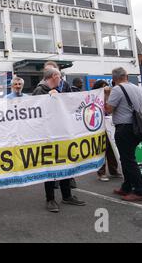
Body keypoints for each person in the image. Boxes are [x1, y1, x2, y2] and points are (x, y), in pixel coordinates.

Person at [32, 68, 86, 213]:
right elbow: (36, 113)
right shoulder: (40, 90)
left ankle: (66, 195)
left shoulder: (54, 90)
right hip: (47, 137)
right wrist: (50, 98)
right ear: (54, 76)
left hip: (60, 135)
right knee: (50, 168)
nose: (61, 80)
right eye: (60, 77)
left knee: (65, 164)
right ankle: (50, 199)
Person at [105, 67, 142, 202]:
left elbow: (109, 109)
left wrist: (107, 95)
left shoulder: (117, 89)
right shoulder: (137, 88)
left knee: (128, 160)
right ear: (126, 76)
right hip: (136, 128)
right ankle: (127, 187)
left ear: (114, 78)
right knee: (126, 158)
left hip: (124, 128)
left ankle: (140, 191)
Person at [43, 61, 77, 189]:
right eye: (46, 70)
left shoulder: (65, 85)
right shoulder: (41, 87)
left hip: (63, 127)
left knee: (66, 157)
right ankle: (51, 195)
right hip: (50, 130)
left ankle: (68, 184)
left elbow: (70, 102)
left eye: (51, 70)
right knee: (51, 160)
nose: (49, 72)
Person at [92, 80, 123, 182]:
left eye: (106, 86)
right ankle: (101, 173)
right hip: (99, 127)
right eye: (103, 86)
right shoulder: (94, 97)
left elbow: (112, 107)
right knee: (101, 150)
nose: (105, 88)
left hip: (110, 125)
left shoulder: (110, 95)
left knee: (112, 149)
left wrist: (108, 94)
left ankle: (113, 170)